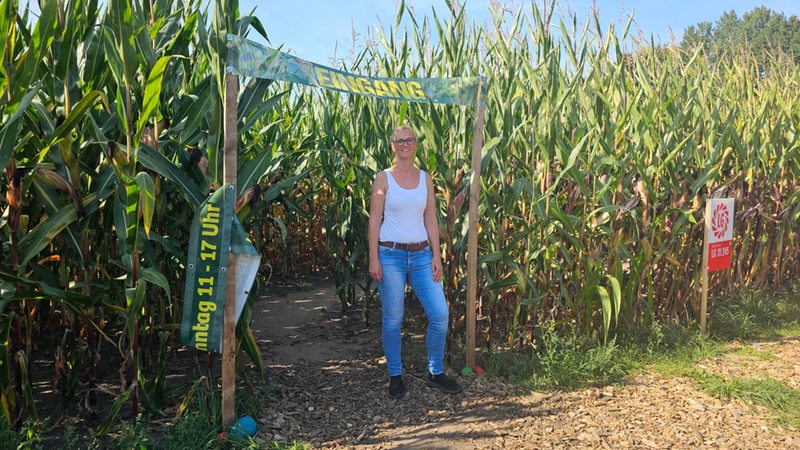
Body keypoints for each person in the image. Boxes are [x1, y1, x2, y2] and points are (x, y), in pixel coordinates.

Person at [368, 124, 462, 399]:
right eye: (399, 140)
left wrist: (436, 254)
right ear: (392, 145)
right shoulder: (383, 178)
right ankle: (395, 376)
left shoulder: (425, 178)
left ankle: (435, 372)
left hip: (422, 255)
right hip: (390, 255)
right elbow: (375, 218)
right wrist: (374, 257)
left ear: (416, 144)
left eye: (409, 140)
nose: (405, 144)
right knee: (393, 318)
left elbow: (430, 217)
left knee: (439, 314)